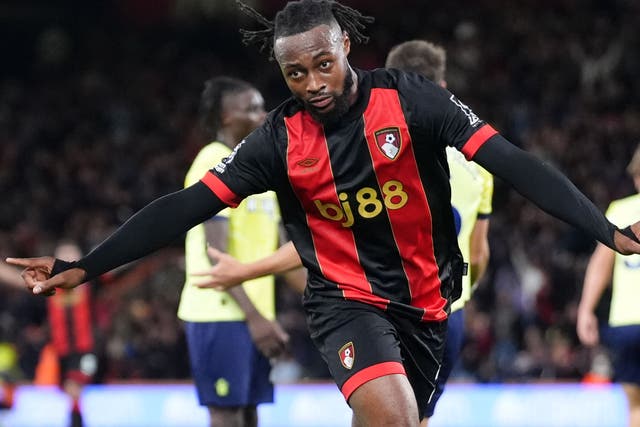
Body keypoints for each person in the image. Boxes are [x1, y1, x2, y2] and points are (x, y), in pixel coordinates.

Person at [8, 1, 640, 425]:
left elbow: (515, 163)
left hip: (429, 303)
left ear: (345, 46)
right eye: (294, 73)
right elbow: (185, 207)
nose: (311, 82)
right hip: (344, 302)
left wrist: (606, 231)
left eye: (323, 64)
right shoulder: (277, 142)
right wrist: (84, 267)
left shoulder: (412, 101)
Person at [196, 38, 493, 427]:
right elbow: (480, 254)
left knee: (384, 414)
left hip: (383, 302)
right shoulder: (476, 165)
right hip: (446, 311)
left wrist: (251, 271)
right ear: (441, 89)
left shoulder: (379, 152)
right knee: (407, 417)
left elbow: (328, 237)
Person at [179, 75, 290, 427]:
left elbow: (286, 255)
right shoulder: (212, 162)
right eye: (252, 109)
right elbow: (217, 255)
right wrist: (256, 319)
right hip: (219, 314)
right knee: (227, 415)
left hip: (256, 316)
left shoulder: (261, 172)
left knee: (250, 413)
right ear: (227, 117)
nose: (263, 115)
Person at [577, 144, 640, 427]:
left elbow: (600, 265)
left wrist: (586, 310)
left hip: (626, 322)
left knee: (636, 407)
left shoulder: (622, 210)